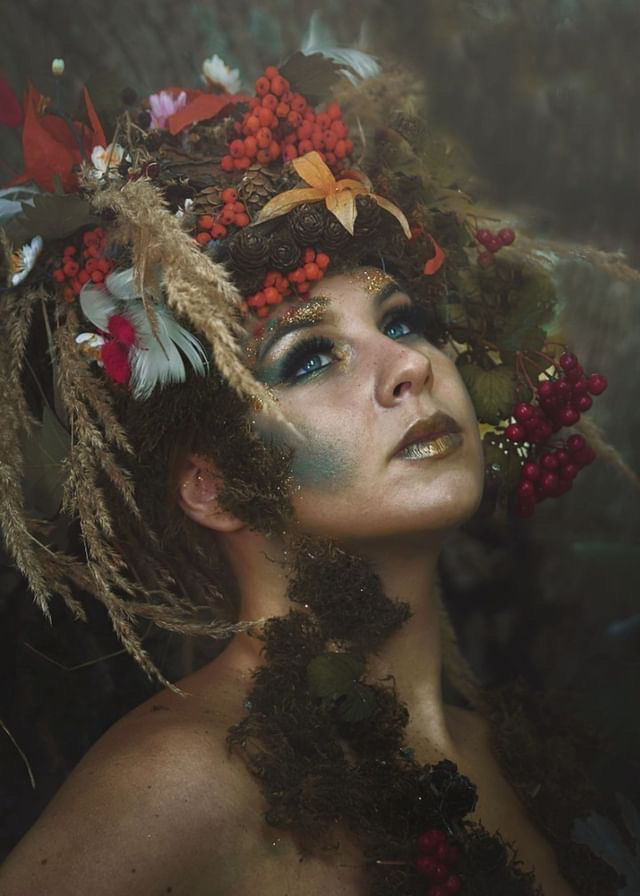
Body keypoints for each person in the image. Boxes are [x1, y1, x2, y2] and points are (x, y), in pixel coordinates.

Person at [0, 54, 620, 895]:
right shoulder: (180, 785)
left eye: (401, 321)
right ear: (211, 484)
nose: (409, 364)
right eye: (311, 357)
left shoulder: (516, 757)